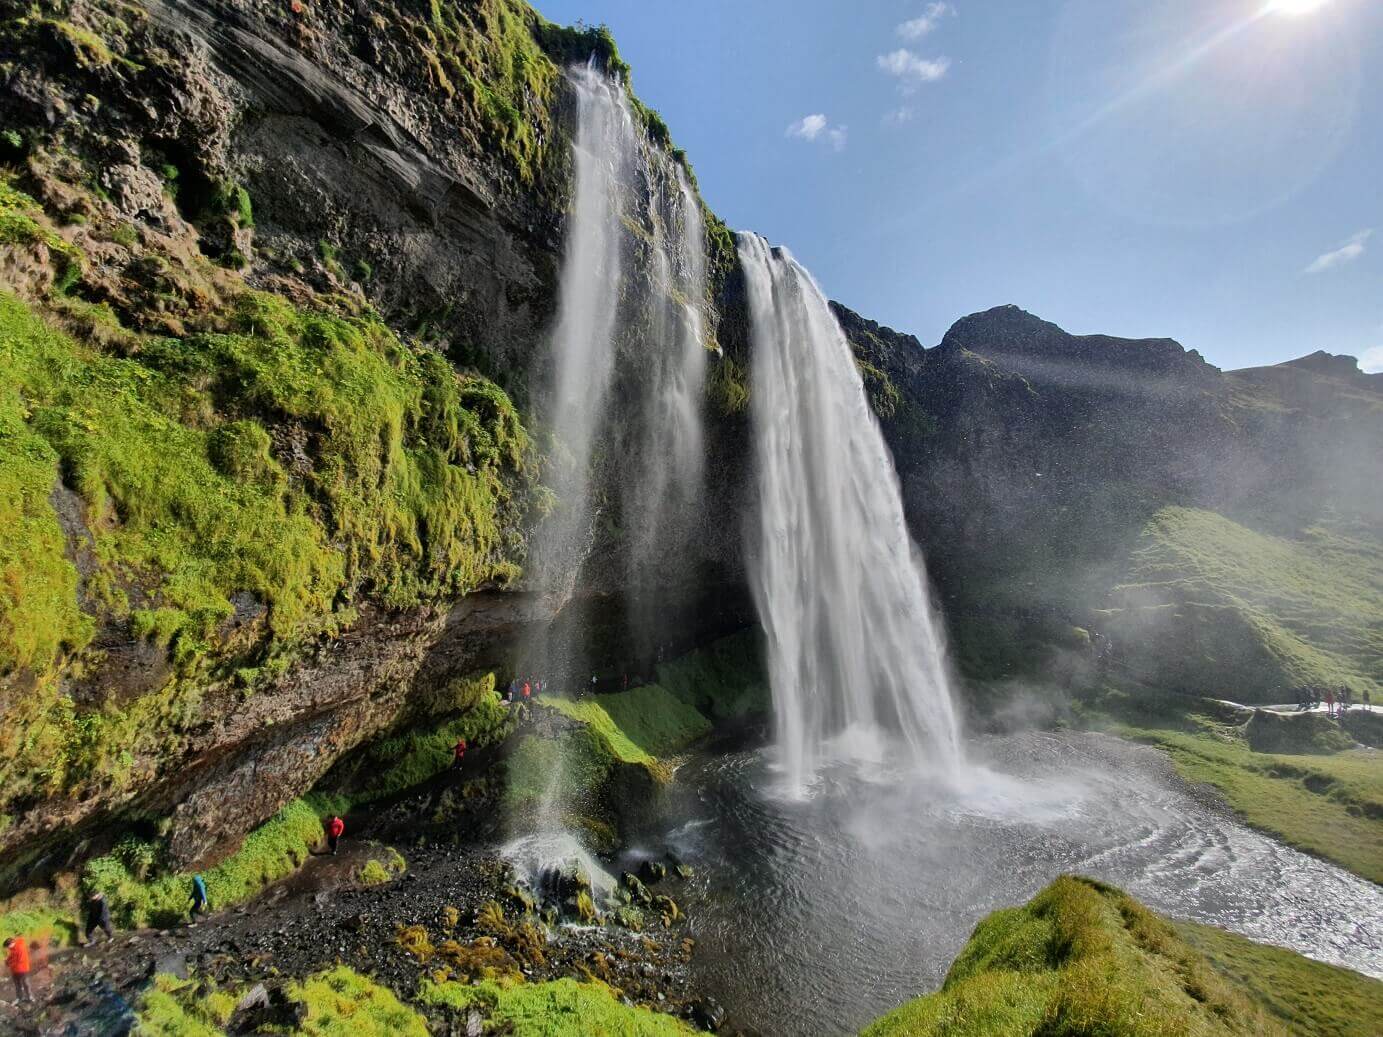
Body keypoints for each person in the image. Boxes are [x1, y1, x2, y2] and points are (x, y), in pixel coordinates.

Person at [4, 936, 31, 1006]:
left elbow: (19, 960)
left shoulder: (20, 947)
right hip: (15, 970)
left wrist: (9, 964)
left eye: (8, 946)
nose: (8, 948)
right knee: (17, 985)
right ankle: (19, 998)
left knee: (26, 984)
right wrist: (7, 961)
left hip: (23, 969)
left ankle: (30, 997)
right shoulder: (13, 948)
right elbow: (12, 956)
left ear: (12, 943)